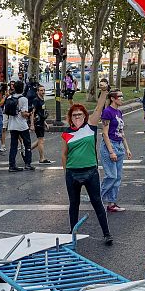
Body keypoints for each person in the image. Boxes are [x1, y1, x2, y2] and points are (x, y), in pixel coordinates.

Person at [61, 91, 113, 245]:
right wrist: (66, 172)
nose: (77, 117)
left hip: (90, 172)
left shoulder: (90, 127)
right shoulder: (66, 133)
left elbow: (98, 108)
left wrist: (103, 92)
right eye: (74, 115)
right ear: (70, 117)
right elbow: (64, 155)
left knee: (97, 202)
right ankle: (72, 233)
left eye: (80, 114)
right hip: (72, 173)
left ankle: (107, 233)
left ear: (84, 116)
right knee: (74, 204)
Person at [100, 90, 132, 212]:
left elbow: (121, 131)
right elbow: (105, 133)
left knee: (117, 177)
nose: (122, 98)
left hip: (119, 145)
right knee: (111, 176)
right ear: (113, 99)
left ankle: (111, 203)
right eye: (120, 96)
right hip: (110, 145)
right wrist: (111, 151)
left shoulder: (119, 112)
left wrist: (127, 148)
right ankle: (97, 198)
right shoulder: (107, 112)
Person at [6, 81, 34, 172]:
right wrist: (30, 113)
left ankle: (12, 165)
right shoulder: (23, 99)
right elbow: (23, 113)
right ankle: (28, 163)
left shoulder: (9, 97)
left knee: (13, 145)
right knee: (27, 144)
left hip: (12, 125)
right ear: (22, 88)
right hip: (22, 125)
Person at [30, 86, 52, 164]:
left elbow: (41, 113)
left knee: (40, 140)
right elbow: (33, 113)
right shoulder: (36, 100)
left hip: (41, 122)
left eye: (44, 90)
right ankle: (42, 158)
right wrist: (32, 124)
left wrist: (45, 122)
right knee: (41, 140)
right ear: (37, 92)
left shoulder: (42, 100)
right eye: (41, 90)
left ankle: (27, 150)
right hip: (37, 123)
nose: (43, 92)